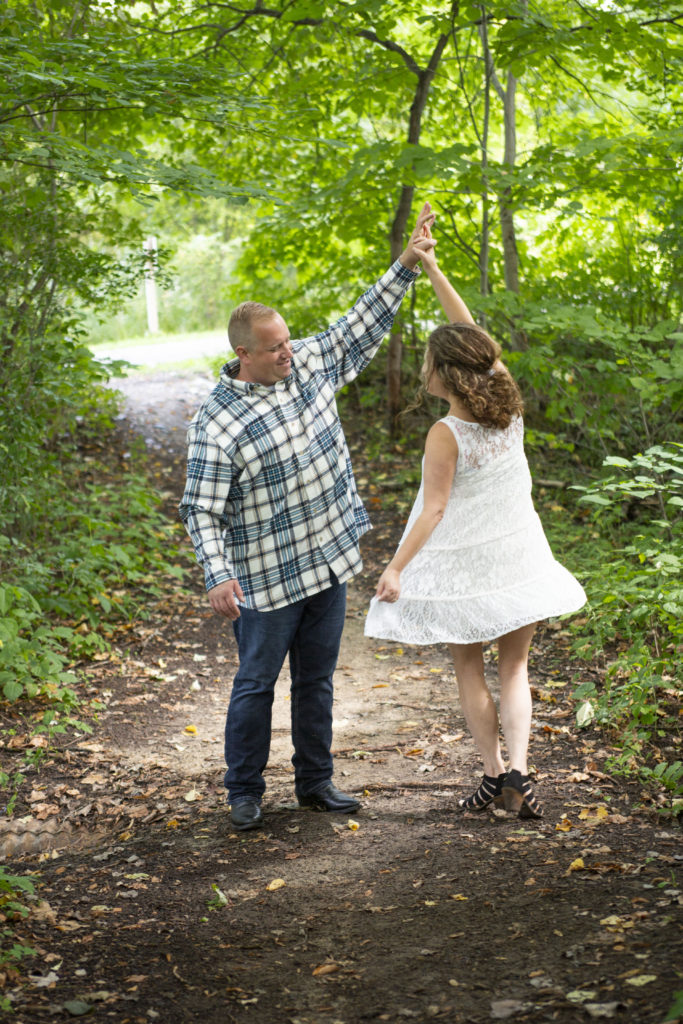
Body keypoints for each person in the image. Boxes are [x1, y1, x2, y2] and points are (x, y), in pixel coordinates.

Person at [179, 202, 437, 831]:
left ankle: (315, 783)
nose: (288, 353)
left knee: (316, 681)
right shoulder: (218, 419)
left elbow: (357, 327)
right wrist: (216, 575)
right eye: (274, 349)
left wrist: (407, 263)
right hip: (265, 580)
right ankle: (244, 790)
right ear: (244, 353)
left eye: (289, 340)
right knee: (255, 684)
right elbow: (201, 509)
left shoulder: (308, 366)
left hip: (326, 559)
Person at [364, 227, 586, 819]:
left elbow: (433, 510)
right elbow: (476, 343)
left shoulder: (447, 431)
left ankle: (492, 775)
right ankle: (519, 772)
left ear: (445, 373)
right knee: (516, 666)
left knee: (469, 663)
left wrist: (395, 568)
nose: (425, 369)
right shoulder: (505, 398)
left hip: (468, 566)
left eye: (431, 362)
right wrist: (431, 271)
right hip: (519, 557)